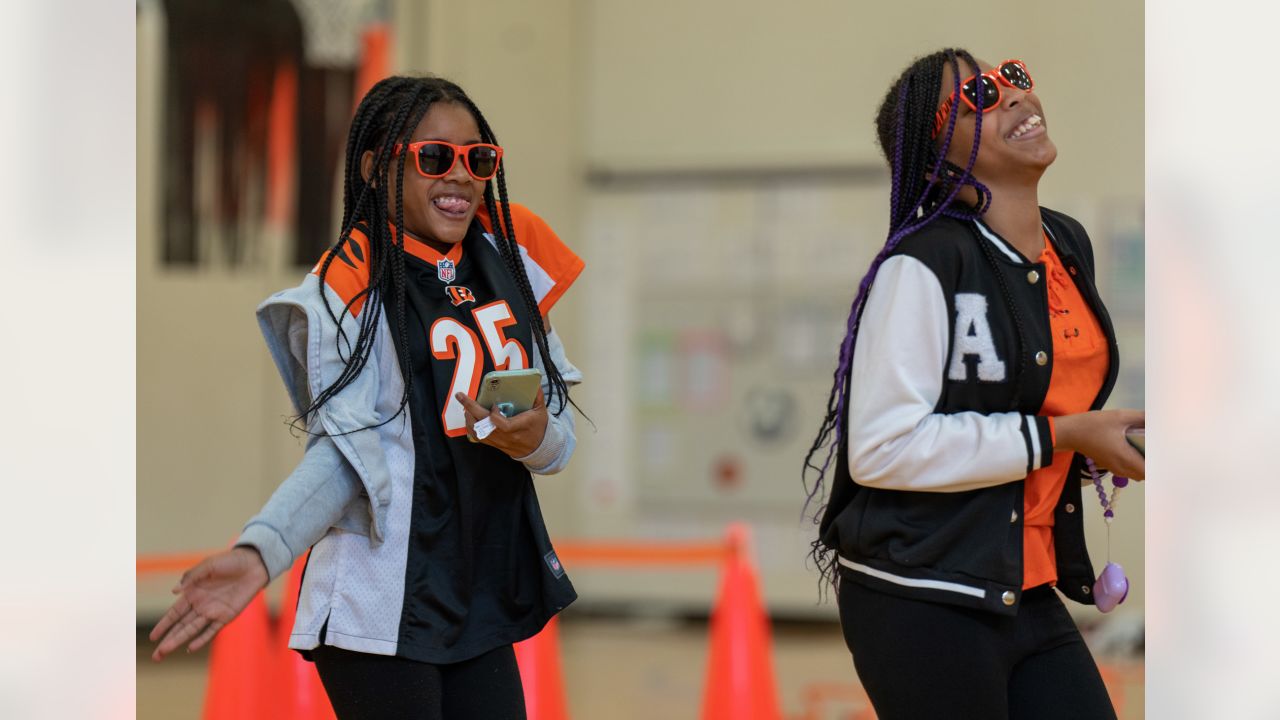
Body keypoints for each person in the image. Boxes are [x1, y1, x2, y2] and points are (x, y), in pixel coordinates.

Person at [149, 75, 585, 720]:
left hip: (479, 586)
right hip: (379, 600)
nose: (461, 176)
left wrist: (535, 438)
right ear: (379, 169)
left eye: (479, 159)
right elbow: (341, 458)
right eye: (435, 157)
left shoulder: (510, 255)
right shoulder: (349, 288)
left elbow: (558, 447)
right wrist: (259, 553)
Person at [802, 49, 1144, 719]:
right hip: (919, 590)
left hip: (1024, 582)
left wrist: (1096, 447)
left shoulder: (1067, 244)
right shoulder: (919, 266)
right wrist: (1063, 437)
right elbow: (882, 447)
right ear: (939, 161)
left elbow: (1031, 404)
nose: (1011, 96)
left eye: (1010, 77)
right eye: (976, 97)